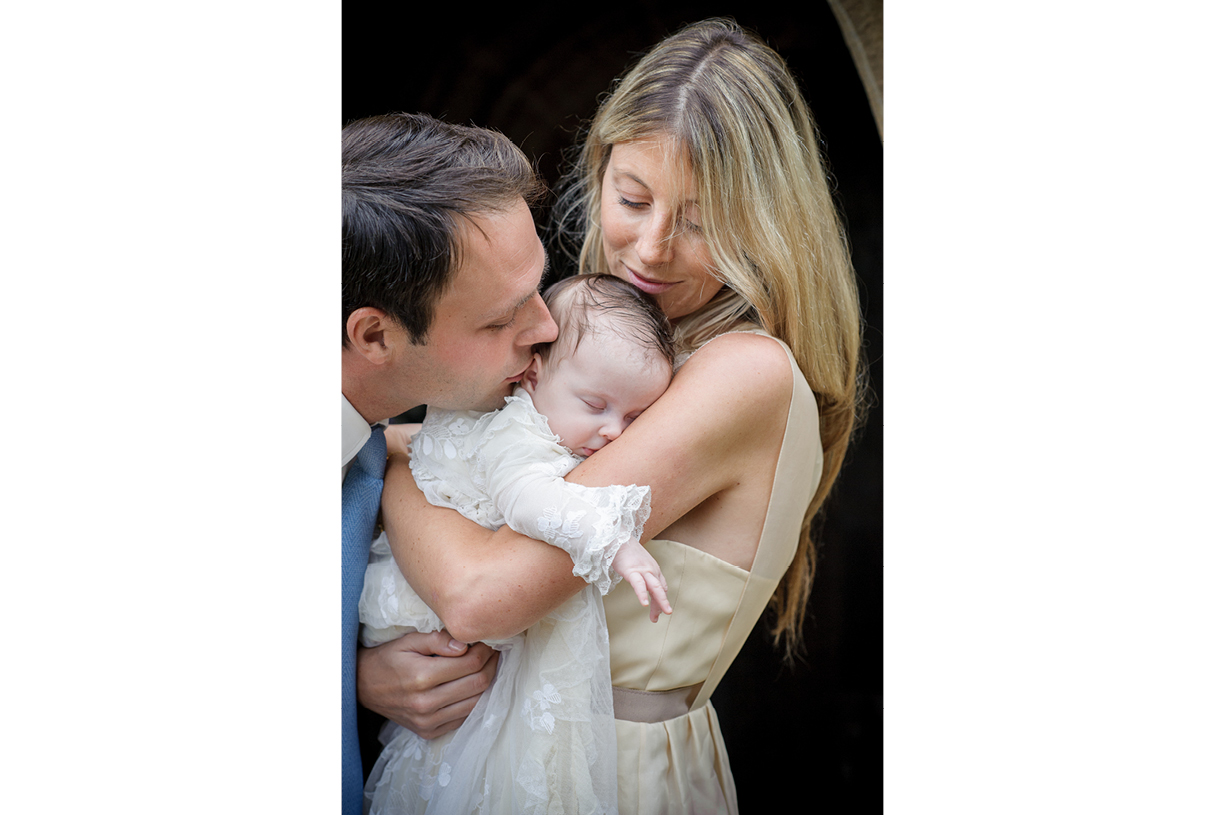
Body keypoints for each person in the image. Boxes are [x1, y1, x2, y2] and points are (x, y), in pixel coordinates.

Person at [379, 18, 864, 814]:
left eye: (703, 220)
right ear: (598, 172)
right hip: (492, 748)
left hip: (611, 777)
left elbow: (480, 591)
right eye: (632, 198)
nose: (651, 246)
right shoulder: (606, 349)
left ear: (768, 223)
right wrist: (378, 674)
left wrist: (395, 453)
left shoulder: (744, 372)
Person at [361, 274, 675, 814]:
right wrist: (613, 542)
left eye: (633, 417)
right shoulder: (518, 434)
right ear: (532, 375)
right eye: (595, 404)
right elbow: (527, 499)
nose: (613, 432)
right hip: (425, 615)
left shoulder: (543, 419)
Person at [341, 111, 560, 814]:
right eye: (500, 319)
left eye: (538, 288)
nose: (547, 328)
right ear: (375, 334)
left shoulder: (376, 446)